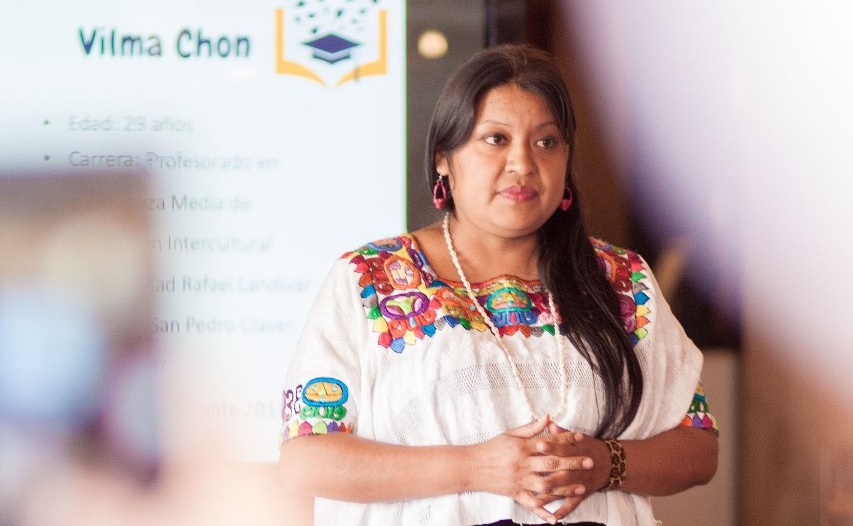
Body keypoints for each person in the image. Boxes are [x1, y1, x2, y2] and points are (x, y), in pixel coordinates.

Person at [278, 44, 718, 525]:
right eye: (496, 139)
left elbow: (698, 447)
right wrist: (476, 467)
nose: (522, 163)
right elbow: (306, 461)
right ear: (444, 158)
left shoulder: (621, 279)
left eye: (546, 142)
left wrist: (604, 463)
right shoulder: (370, 280)